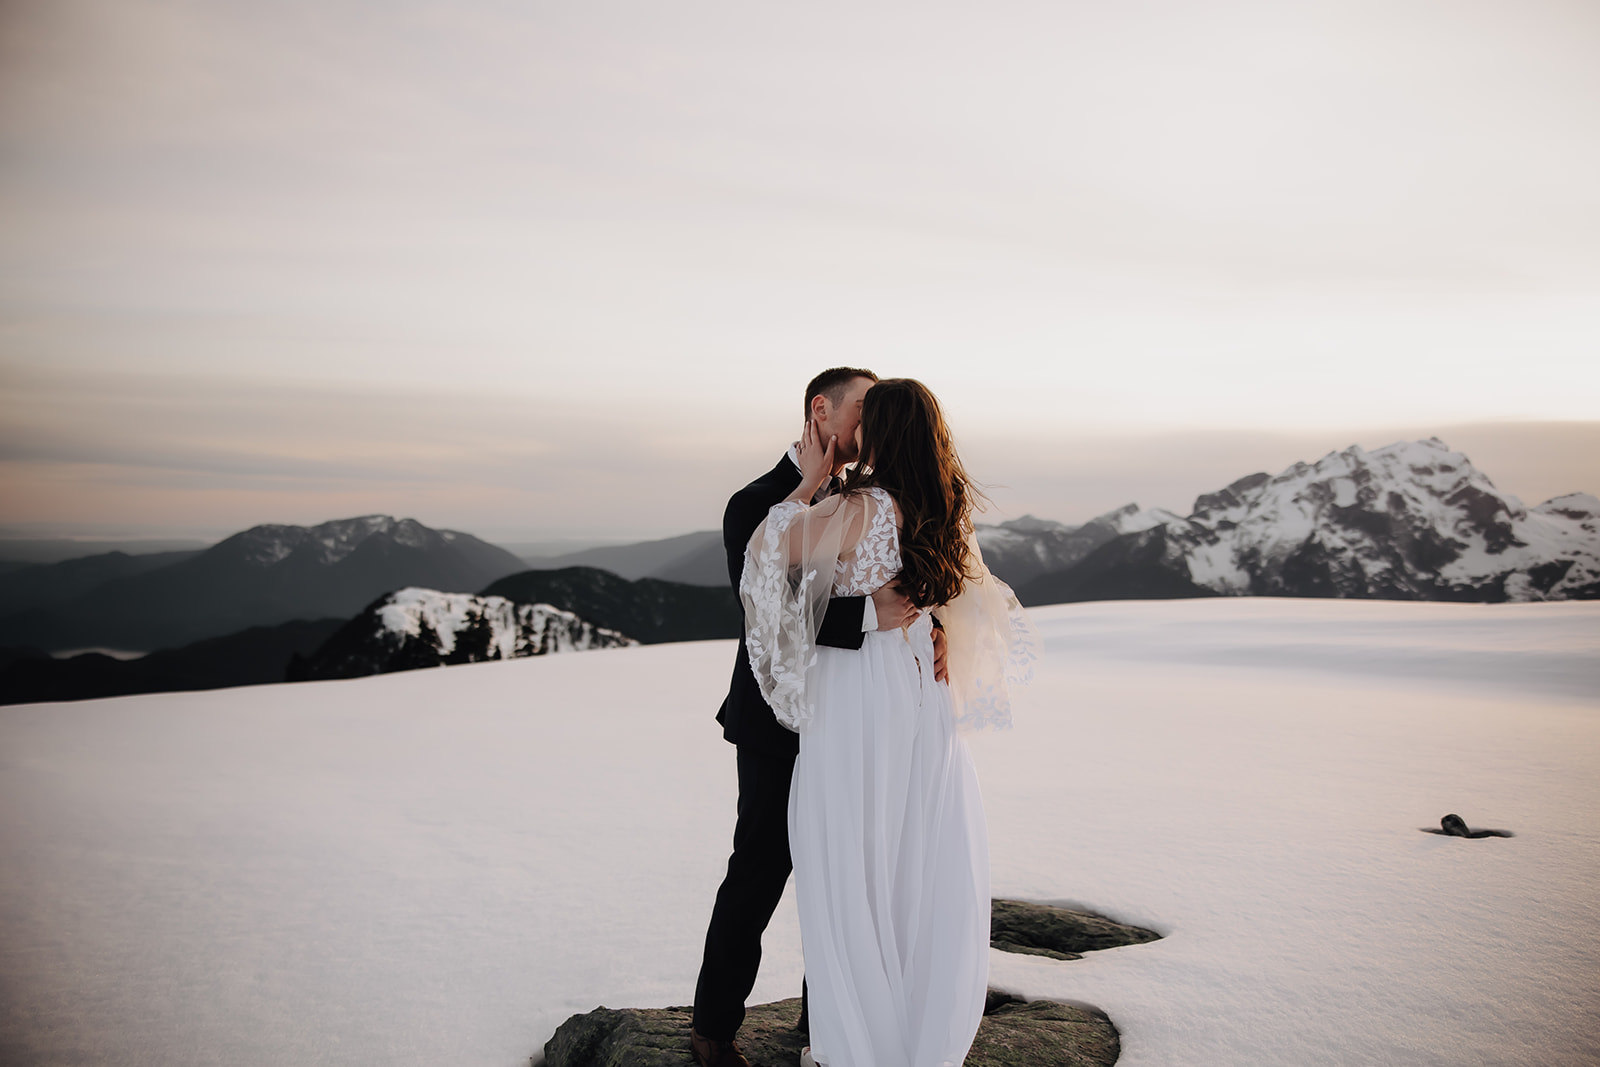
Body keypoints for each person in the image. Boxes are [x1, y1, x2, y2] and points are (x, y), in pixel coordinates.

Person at [740, 378, 1037, 1067]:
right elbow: (955, 600)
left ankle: (859, 1042)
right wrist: (930, 624)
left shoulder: (858, 507)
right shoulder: (941, 508)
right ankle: (912, 1025)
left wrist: (809, 481)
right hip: (918, 690)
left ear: (886, 432)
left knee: (846, 858)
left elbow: (763, 552)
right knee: (912, 857)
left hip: (859, 693)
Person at [691, 368, 935, 1067]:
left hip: (858, 710)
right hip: (775, 721)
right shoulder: (755, 501)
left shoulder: (876, 495)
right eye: (860, 409)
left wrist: (930, 629)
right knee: (761, 867)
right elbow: (762, 608)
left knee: (848, 864)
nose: (867, 426)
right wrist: (867, 618)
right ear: (820, 411)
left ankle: (827, 1025)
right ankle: (712, 1027)